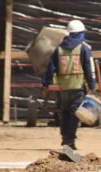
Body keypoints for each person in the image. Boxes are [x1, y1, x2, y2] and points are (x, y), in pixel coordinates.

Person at [42, 20, 97, 150]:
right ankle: (70, 140)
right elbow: (89, 68)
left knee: (65, 112)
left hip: (64, 88)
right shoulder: (84, 48)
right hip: (78, 87)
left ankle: (65, 137)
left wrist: (46, 83)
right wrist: (92, 84)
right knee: (74, 114)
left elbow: (51, 67)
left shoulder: (59, 49)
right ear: (80, 33)